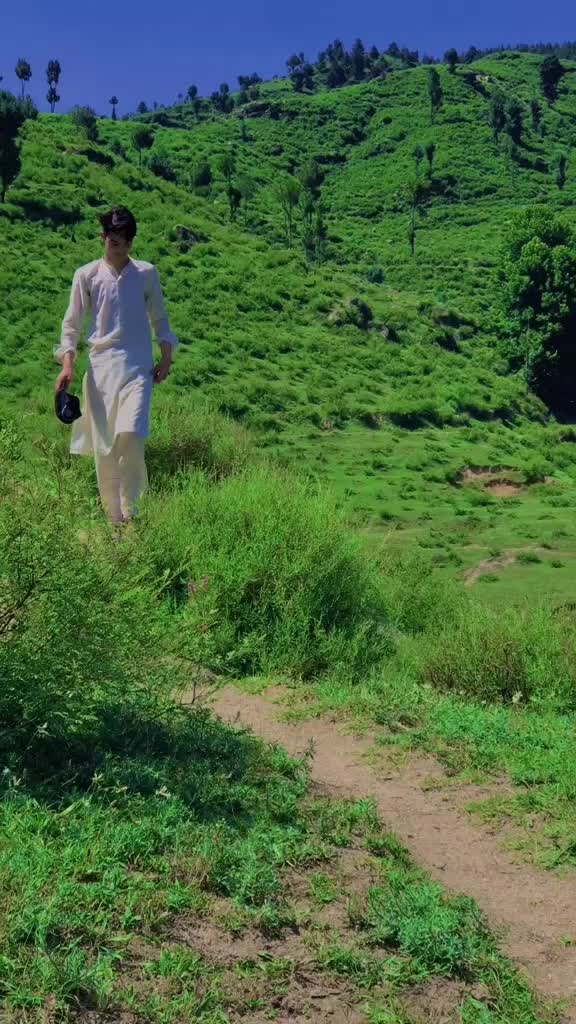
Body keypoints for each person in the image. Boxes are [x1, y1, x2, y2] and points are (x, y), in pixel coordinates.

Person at [54, 207, 178, 526]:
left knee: (133, 433)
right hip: (100, 371)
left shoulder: (146, 274)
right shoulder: (87, 275)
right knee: (105, 448)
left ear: (132, 242)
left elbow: (160, 318)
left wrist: (166, 356)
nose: (118, 249)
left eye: (124, 243)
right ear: (103, 238)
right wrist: (68, 364)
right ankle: (114, 521)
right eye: (113, 242)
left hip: (138, 369)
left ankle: (132, 511)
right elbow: (72, 324)